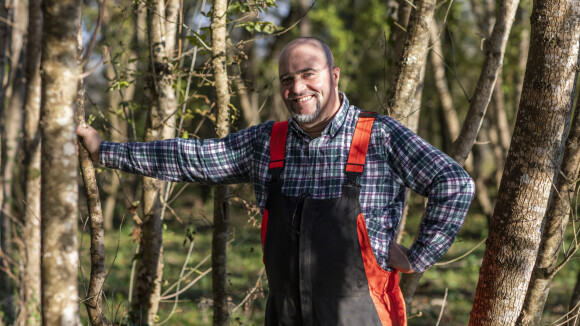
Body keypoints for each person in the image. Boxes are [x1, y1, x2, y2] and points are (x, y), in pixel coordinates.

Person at [77, 37, 475, 325]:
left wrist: (419, 256)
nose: (297, 87)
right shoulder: (268, 142)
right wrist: (105, 151)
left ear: (333, 75)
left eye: (308, 74)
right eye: (287, 79)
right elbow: (191, 158)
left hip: (362, 317)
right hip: (285, 315)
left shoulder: (381, 137)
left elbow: (454, 183)